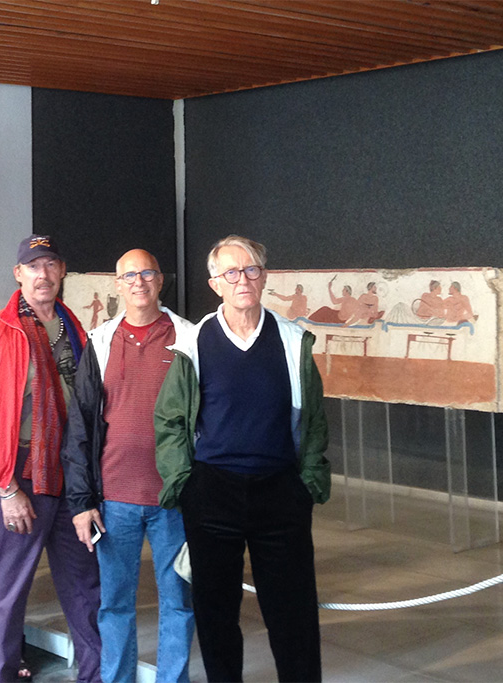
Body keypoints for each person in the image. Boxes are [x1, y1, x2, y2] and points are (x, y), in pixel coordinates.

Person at [155, 235, 331, 682]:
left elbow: (314, 420)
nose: (243, 280)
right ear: (215, 284)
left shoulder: (293, 341)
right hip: (212, 495)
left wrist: (306, 485)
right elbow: (170, 421)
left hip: (280, 493)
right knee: (216, 617)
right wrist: (186, 486)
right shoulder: (194, 344)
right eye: (231, 272)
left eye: (251, 269)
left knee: (293, 617)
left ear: (265, 276)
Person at [0, 235, 102, 683]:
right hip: (23, 477)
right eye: (33, 266)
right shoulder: (4, 333)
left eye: (50, 264)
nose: (43, 274)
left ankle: (95, 675)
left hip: (73, 479)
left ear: (62, 270)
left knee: (85, 587)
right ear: (18, 274)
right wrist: (6, 488)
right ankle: (2, 676)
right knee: (7, 592)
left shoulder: (73, 326)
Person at [63, 249, 195, 683]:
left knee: (178, 601)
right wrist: (82, 502)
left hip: (173, 500)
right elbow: (80, 427)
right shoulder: (99, 342)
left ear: (161, 281)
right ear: (117, 284)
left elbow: (207, 421)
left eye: (148, 273)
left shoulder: (189, 339)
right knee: (114, 604)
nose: (139, 281)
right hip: (113, 500)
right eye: (129, 275)